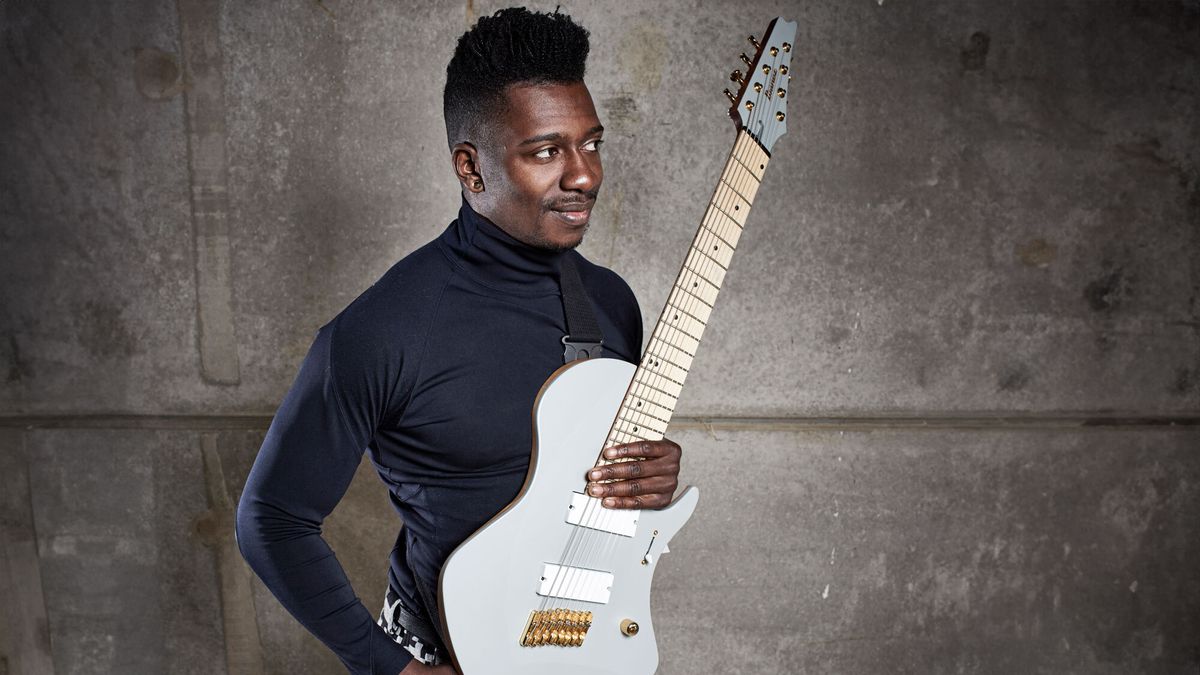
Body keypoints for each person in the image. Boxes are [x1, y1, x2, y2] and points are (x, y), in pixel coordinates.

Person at [236, 8, 685, 675]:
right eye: (545, 151)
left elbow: (594, 498)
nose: (584, 174)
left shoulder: (612, 303)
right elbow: (269, 520)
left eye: (592, 143)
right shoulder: (379, 332)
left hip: (586, 649)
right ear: (470, 169)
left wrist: (648, 478)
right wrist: (393, 669)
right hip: (445, 649)